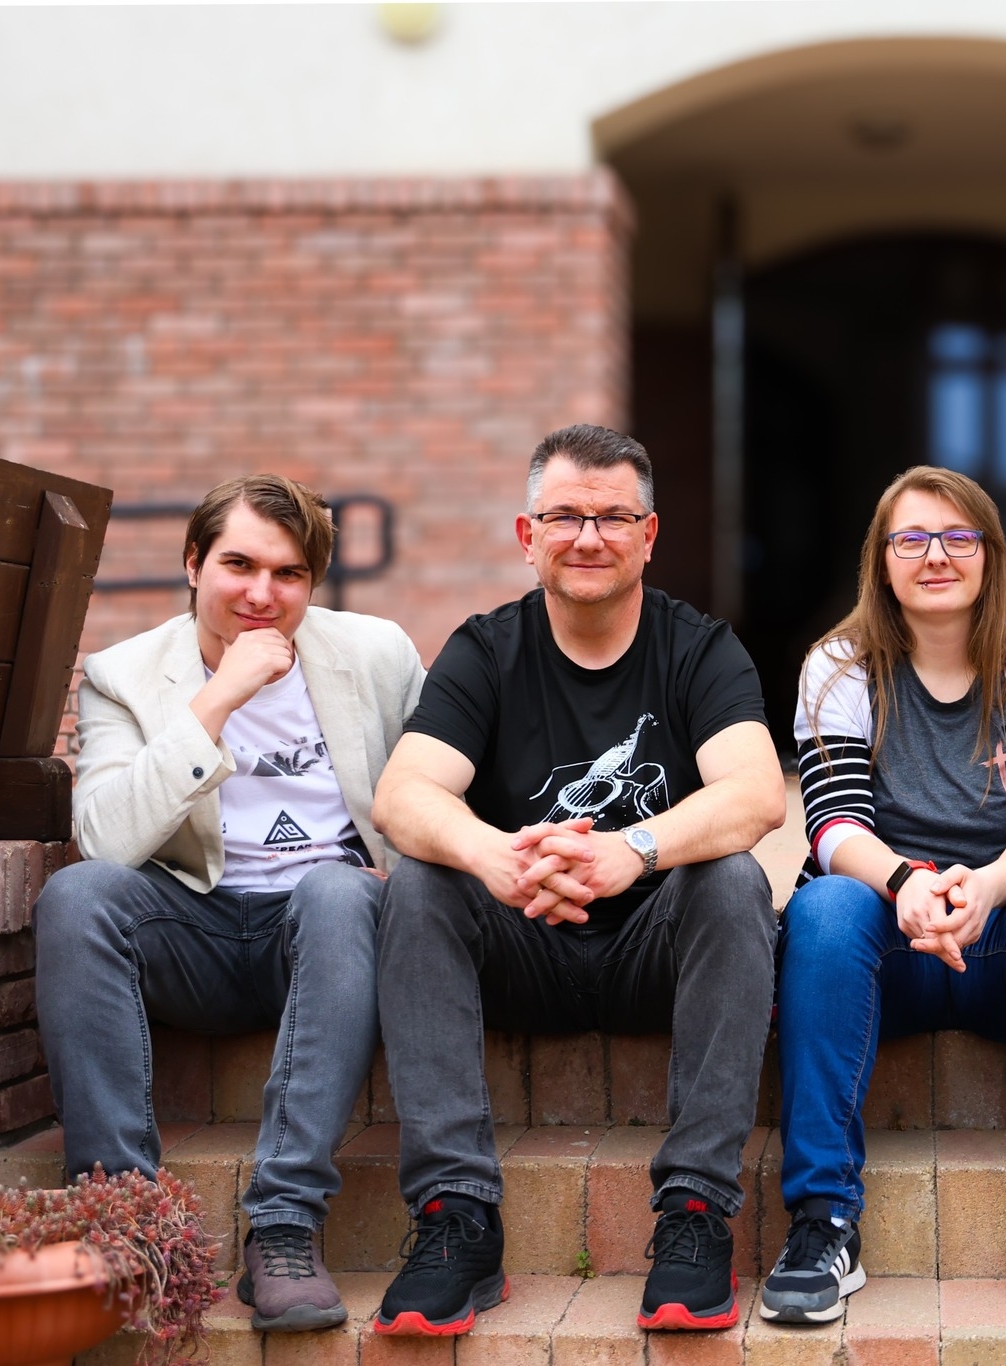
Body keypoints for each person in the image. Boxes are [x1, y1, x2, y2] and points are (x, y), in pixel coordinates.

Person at [368, 424, 785, 1337]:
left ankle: (695, 1213)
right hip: (523, 943)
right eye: (565, 517)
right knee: (420, 884)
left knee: (733, 881)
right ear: (529, 535)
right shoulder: (486, 649)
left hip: (654, 953)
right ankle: (456, 1219)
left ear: (649, 534)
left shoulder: (699, 648)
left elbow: (758, 794)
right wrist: (497, 857)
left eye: (612, 518)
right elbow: (401, 795)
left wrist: (630, 851)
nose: (588, 537)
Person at [34, 475, 424, 1333]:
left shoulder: (376, 654)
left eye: (288, 575)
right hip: (195, 928)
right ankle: (123, 1224)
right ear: (192, 564)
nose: (261, 594)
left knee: (336, 888)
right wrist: (217, 700)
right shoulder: (123, 675)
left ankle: (283, 1225)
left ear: (313, 583)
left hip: (327, 934)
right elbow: (104, 839)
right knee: (78, 897)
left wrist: (405, 876)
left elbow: (441, 788)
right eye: (238, 565)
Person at [769, 466, 1006, 1330]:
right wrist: (906, 883)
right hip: (881, 952)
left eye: (958, 537)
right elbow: (832, 824)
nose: (936, 556)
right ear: (882, 560)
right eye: (912, 539)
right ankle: (822, 1220)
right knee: (824, 907)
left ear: (990, 554)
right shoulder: (837, 665)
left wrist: (987, 886)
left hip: (1004, 953)